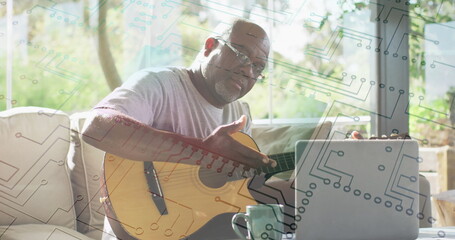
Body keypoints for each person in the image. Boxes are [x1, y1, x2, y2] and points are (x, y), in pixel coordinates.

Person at [82, 18, 293, 239]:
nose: (248, 70)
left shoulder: (240, 114)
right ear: (210, 46)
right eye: (241, 54)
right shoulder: (158, 83)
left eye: (258, 66)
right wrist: (200, 152)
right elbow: (97, 126)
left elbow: (228, 195)